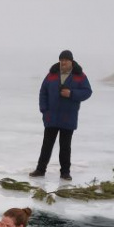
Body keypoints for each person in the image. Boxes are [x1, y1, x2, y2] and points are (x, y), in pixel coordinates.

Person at [29, 50, 93, 181]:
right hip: (51, 116)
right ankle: (40, 170)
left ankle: (65, 172)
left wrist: (71, 94)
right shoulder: (52, 74)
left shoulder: (79, 75)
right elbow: (43, 92)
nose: (63, 62)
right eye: (61, 60)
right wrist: (44, 110)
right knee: (47, 145)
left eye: (66, 60)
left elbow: (87, 92)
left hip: (68, 117)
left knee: (65, 146)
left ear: (71, 61)